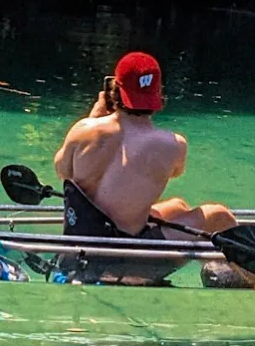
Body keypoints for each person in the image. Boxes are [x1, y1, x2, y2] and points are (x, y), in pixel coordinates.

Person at [53, 51, 235, 240]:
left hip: (78, 239)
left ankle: (215, 269)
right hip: (125, 251)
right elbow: (176, 171)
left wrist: (94, 117)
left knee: (178, 205)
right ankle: (249, 269)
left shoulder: (82, 129)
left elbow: (62, 171)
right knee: (218, 215)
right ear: (158, 93)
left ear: (115, 90)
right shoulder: (174, 145)